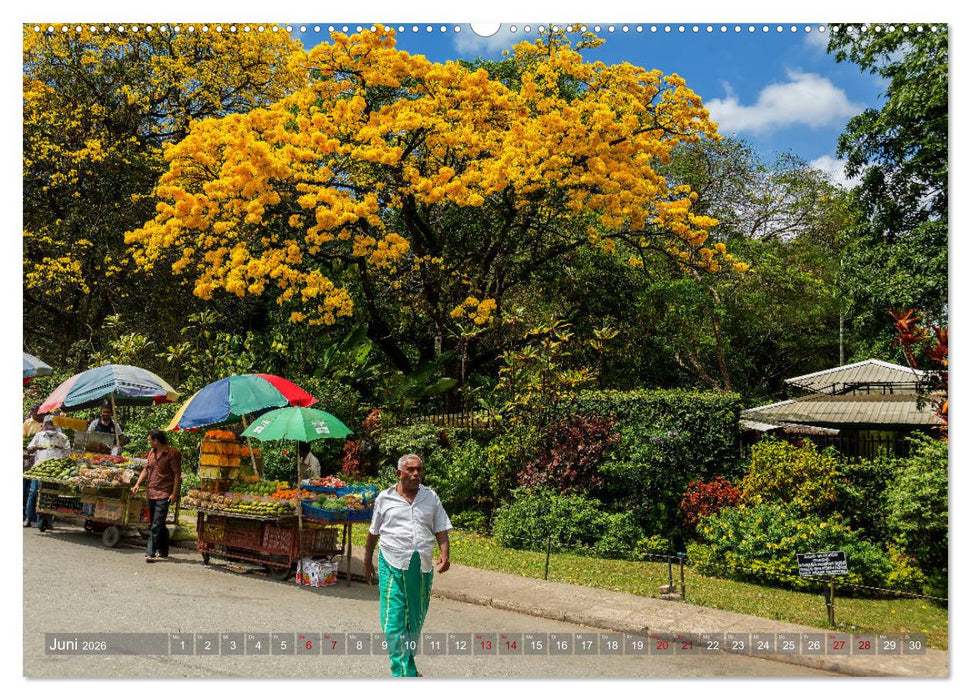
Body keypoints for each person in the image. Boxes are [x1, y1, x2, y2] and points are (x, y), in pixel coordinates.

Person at [364, 454, 452, 678]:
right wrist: (367, 561)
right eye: (411, 470)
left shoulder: (430, 497)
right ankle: (402, 673)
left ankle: (407, 663)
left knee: (414, 619)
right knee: (393, 620)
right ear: (399, 474)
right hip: (391, 561)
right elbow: (373, 532)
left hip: (420, 565)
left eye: (419, 470)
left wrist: (445, 554)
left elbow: (440, 527)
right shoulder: (385, 498)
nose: (416, 474)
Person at [131, 430, 181, 563]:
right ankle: (164, 550)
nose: (149, 442)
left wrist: (174, 494)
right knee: (158, 523)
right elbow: (146, 469)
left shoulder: (172, 454)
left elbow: (177, 474)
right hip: (151, 492)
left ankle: (150, 552)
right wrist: (137, 484)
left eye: (149, 440)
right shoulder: (151, 453)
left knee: (156, 524)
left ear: (156, 441)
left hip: (165, 493)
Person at [24, 415, 70, 527]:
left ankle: (47, 519)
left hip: (55, 470)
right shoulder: (39, 436)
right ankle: (28, 518)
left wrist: (60, 450)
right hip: (39, 469)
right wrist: (35, 448)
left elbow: (68, 453)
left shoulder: (62, 437)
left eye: (51, 424)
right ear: (44, 425)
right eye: (48, 423)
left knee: (51, 495)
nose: (49, 426)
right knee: (34, 492)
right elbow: (29, 449)